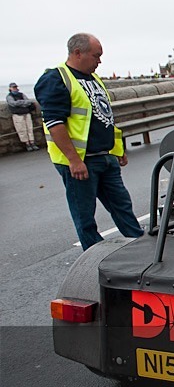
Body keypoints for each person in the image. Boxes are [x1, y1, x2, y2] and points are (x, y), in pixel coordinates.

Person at [34, 33, 143, 251]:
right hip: (81, 161)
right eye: (96, 56)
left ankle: (140, 245)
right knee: (84, 214)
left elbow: (104, 117)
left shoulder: (93, 78)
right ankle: (94, 256)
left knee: (122, 205)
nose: (99, 61)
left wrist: (117, 149)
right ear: (78, 53)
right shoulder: (56, 79)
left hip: (105, 156)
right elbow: (54, 123)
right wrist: (74, 160)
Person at [6, 82, 38, 151]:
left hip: (26, 113)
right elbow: (13, 103)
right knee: (21, 130)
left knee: (30, 128)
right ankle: (27, 144)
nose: (15, 88)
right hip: (18, 115)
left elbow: (28, 102)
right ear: (10, 88)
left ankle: (32, 142)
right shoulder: (9, 96)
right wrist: (23, 102)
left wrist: (20, 102)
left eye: (16, 87)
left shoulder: (22, 94)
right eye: (13, 87)